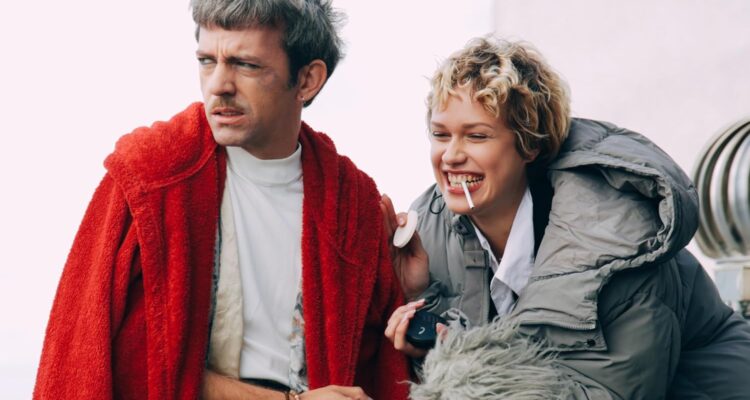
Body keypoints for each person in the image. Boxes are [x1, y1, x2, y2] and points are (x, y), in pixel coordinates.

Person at [34, 1, 410, 399]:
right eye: (206, 61)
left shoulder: (352, 205)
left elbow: (386, 369)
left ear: (307, 80)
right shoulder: (150, 178)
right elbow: (116, 362)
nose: (218, 85)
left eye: (245, 65)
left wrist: (415, 292)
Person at [382, 37, 750, 399]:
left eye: (477, 136)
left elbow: (604, 391)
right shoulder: (429, 227)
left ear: (530, 144)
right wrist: (418, 295)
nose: (451, 156)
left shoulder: (618, 239)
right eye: (440, 135)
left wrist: (459, 358)